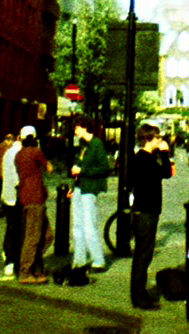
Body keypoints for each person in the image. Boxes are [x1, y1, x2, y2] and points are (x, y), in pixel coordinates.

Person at [129, 122, 171, 311]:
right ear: (148, 139)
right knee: (143, 255)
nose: (160, 140)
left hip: (144, 209)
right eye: (157, 137)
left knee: (143, 254)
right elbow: (166, 173)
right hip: (147, 211)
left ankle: (140, 293)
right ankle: (139, 297)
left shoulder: (142, 158)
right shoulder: (145, 159)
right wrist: (165, 153)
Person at [70, 115, 110, 279]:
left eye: (77, 127)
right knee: (77, 225)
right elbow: (81, 165)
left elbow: (104, 168)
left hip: (90, 188)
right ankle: (79, 259)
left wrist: (83, 171)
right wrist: (74, 186)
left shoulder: (96, 145)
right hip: (80, 187)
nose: (75, 131)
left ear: (84, 127)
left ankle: (98, 260)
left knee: (88, 225)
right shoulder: (83, 145)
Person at [15, 125, 53, 284]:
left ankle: (35, 266)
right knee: (33, 236)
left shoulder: (19, 155)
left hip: (25, 197)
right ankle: (26, 271)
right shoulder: (36, 152)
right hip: (35, 198)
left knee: (47, 235)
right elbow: (50, 168)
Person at [0, 131, 23, 276]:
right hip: (16, 197)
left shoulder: (9, 152)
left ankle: (11, 258)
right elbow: (18, 178)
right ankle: (11, 260)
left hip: (7, 196)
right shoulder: (19, 153)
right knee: (15, 230)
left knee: (12, 229)